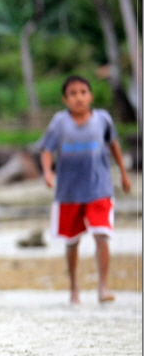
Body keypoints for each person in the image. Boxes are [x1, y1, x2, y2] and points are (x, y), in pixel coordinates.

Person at [38, 75, 131, 305]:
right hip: (69, 193)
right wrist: (48, 172)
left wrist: (124, 174)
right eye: (72, 93)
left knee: (102, 235)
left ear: (90, 96)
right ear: (65, 99)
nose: (78, 97)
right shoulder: (59, 122)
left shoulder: (102, 119)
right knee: (71, 242)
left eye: (82, 92)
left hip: (99, 188)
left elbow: (114, 145)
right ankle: (74, 289)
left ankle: (103, 287)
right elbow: (46, 150)